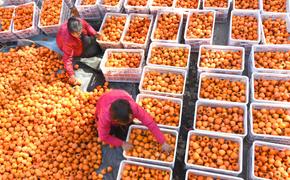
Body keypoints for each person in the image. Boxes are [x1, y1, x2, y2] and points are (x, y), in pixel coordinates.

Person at [95, 89, 172, 153]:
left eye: (131, 117)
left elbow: (150, 123)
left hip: (119, 95)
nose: (131, 119)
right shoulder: (104, 117)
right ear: (116, 121)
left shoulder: (133, 107)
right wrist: (122, 143)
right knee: (111, 131)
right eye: (127, 121)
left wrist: (163, 142)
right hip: (104, 101)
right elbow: (103, 137)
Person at [56, 16, 101, 86]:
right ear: (71, 32)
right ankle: (85, 50)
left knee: (90, 39)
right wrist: (71, 74)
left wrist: (95, 33)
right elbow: (67, 59)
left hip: (78, 41)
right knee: (95, 50)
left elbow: (87, 26)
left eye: (79, 31)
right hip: (74, 49)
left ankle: (89, 42)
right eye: (76, 33)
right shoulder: (67, 41)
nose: (79, 34)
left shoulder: (78, 22)